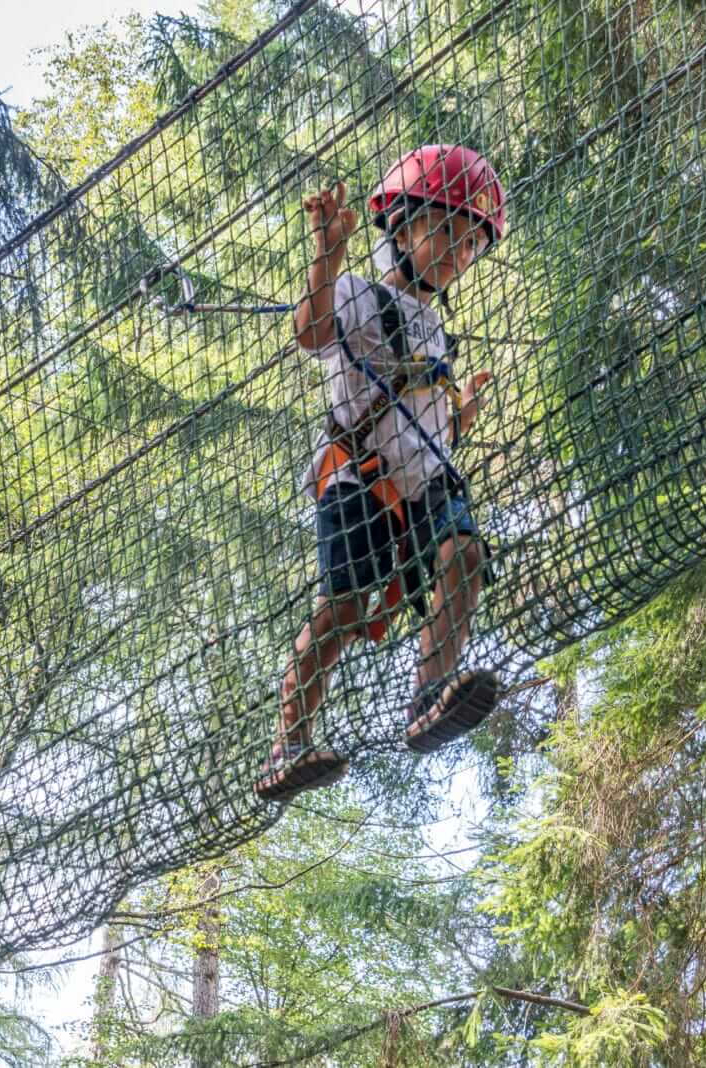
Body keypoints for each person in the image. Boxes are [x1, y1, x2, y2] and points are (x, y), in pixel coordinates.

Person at [254, 145, 507, 803]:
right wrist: (327, 254)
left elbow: (426, 427)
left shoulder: (437, 330)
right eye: (445, 229)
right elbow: (311, 333)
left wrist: (461, 416)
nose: (458, 251)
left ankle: (429, 696)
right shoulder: (357, 294)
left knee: (465, 556)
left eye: (471, 243)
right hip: (359, 478)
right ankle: (289, 743)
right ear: (399, 226)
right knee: (343, 608)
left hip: (423, 479)